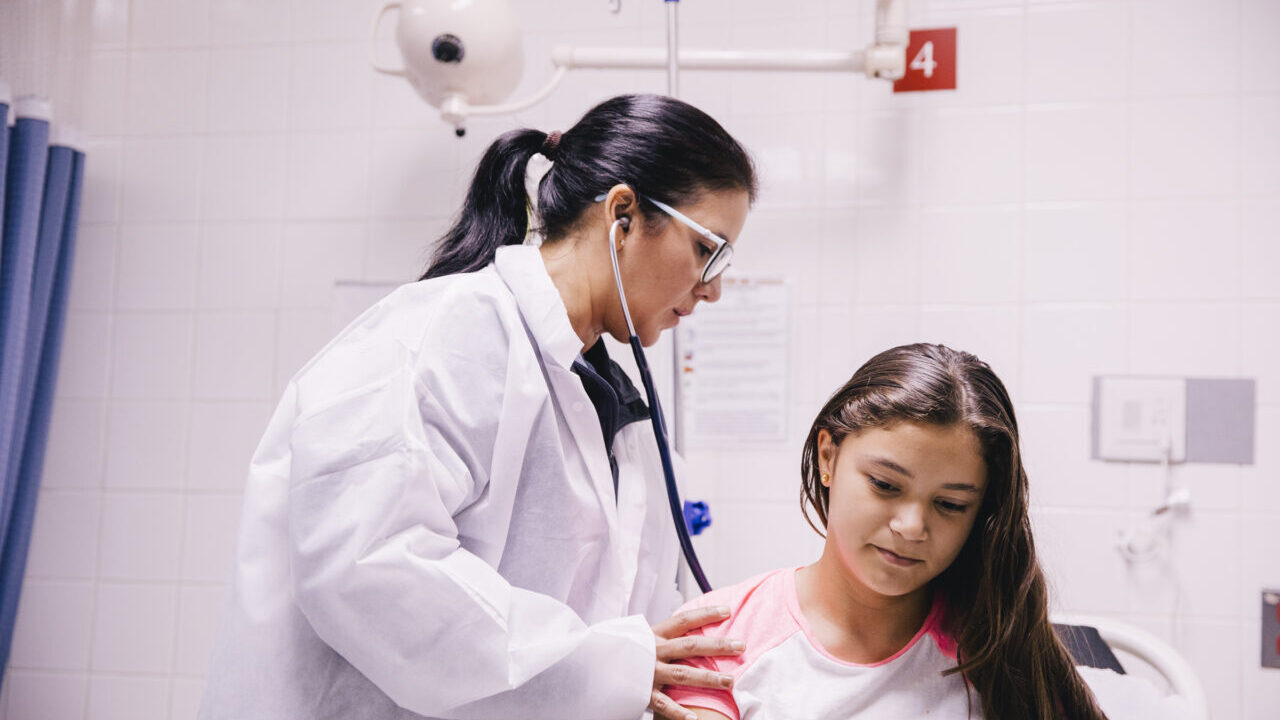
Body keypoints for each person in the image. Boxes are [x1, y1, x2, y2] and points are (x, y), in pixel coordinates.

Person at [198, 94, 756, 720]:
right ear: (622, 213)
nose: (712, 289)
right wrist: (607, 668)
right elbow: (371, 571)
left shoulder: (616, 415)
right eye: (710, 249)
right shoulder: (446, 336)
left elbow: (638, 631)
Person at [666, 343, 1112, 720]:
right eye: (885, 485)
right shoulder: (717, 642)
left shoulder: (998, 651)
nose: (912, 527)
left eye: (951, 505)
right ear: (828, 457)